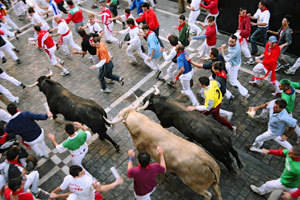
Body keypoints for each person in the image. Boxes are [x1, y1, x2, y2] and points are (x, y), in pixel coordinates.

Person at [50, 165, 123, 200]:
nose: (84, 172)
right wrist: (116, 183)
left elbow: (61, 189)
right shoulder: (88, 180)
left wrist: (53, 192)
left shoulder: (68, 178)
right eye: (81, 173)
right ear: (75, 176)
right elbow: (101, 189)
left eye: (82, 170)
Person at [220, 34, 249, 99]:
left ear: (235, 42)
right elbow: (238, 33)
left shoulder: (234, 51)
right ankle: (224, 74)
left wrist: (222, 49)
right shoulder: (237, 39)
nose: (230, 43)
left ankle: (245, 93)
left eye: (232, 42)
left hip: (234, 65)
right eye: (229, 41)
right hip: (233, 61)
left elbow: (225, 59)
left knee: (233, 81)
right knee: (226, 67)